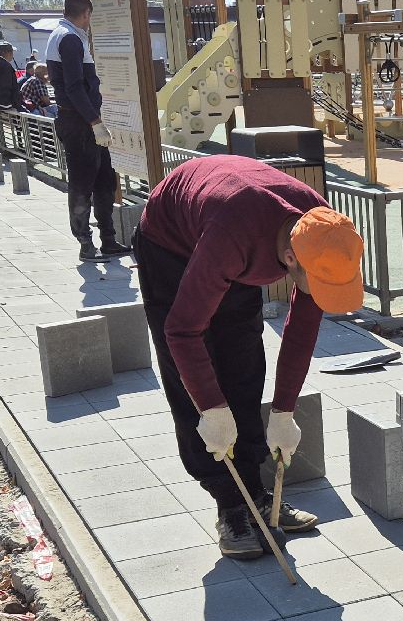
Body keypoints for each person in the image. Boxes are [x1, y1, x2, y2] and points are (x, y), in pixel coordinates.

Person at [134, 155, 364, 561]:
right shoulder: (233, 236)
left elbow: (299, 333)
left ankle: (258, 496)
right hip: (171, 245)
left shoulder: (321, 234)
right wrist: (211, 409)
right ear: (291, 260)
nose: (321, 294)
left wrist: (283, 412)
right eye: (320, 285)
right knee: (194, 379)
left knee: (243, 365)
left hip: (236, 237)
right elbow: (182, 331)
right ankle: (229, 506)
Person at [45, 0, 131, 262]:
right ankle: (85, 243)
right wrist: (94, 122)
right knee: (82, 184)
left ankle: (108, 239)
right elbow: (73, 86)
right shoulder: (69, 38)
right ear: (86, 14)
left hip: (85, 120)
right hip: (79, 121)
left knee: (105, 179)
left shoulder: (66, 35)